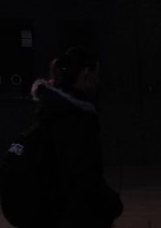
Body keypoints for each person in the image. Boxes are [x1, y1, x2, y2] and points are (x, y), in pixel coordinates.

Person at [30, 47, 122, 227]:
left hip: (52, 209)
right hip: (74, 212)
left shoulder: (50, 106)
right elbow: (85, 173)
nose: (98, 80)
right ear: (86, 73)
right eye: (97, 73)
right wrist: (111, 204)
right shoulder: (78, 115)